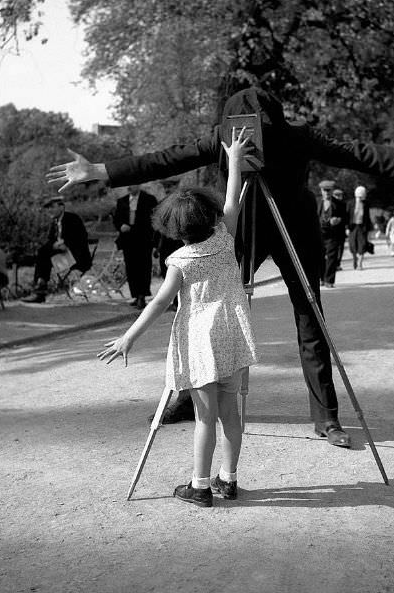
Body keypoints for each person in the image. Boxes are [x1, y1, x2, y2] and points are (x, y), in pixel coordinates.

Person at [48, 86, 394, 447]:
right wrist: (99, 170)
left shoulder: (295, 136)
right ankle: (184, 395)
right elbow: (167, 159)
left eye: (260, 128)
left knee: (310, 316)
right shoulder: (221, 136)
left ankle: (327, 417)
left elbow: (354, 152)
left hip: (295, 229)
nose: (252, 135)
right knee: (198, 306)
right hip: (241, 223)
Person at [99, 129, 257, 507]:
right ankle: (228, 478)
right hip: (233, 336)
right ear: (209, 217)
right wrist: (234, 161)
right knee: (229, 413)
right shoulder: (225, 238)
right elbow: (233, 199)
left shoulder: (179, 262)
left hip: (201, 344)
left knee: (204, 418)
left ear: (174, 228)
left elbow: (156, 304)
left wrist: (128, 338)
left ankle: (200, 486)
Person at [22, 196, 92, 303]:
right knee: (43, 253)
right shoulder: (54, 223)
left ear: (61, 207)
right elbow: (50, 241)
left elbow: (80, 238)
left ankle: (40, 288)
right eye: (48, 208)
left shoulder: (72, 219)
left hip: (77, 258)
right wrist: (56, 245)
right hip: (62, 257)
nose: (50, 210)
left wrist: (65, 244)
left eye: (52, 207)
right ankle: (40, 285)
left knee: (42, 254)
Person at [113, 185, 158, 309]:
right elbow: (116, 219)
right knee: (131, 267)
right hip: (128, 239)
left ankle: (142, 295)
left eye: (133, 184)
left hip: (143, 239)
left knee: (144, 266)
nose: (130, 187)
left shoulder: (149, 199)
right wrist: (121, 226)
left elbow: (153, 219)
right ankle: (136, 294)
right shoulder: (122, 201)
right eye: (128, 185)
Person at [317, 180, 347, 287]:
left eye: (329, 190)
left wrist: (339, 220)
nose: (327, 193)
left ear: (332, 190)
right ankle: (321, 278)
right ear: (321, 191)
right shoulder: (316, 202)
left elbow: (346, 218)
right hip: (319, 234)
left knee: (332, 257)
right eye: (325, 190)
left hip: (333, 235)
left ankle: (329, 280)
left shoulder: (340, 204)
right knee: (319, 256)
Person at [346, 185, 372, 270]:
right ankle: (355, 259)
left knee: (362, 245)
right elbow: (347, 216)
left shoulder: (366, 204)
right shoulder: (350, 203)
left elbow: (367, 217)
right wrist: (346, 228)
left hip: (362, 227)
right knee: (352, 245)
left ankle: (360, 264)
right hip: (352, 227)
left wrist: (369, 229)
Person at [332, 188, 347, 270]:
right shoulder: (330, 204)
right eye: (336, 195)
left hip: (341, 229)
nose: (338, 197)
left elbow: (346, 216)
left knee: (340, 248)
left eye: (339, 195)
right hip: (332, 230)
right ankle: (333, 263)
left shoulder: (344, 204)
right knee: (333, 248)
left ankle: (338, 264)